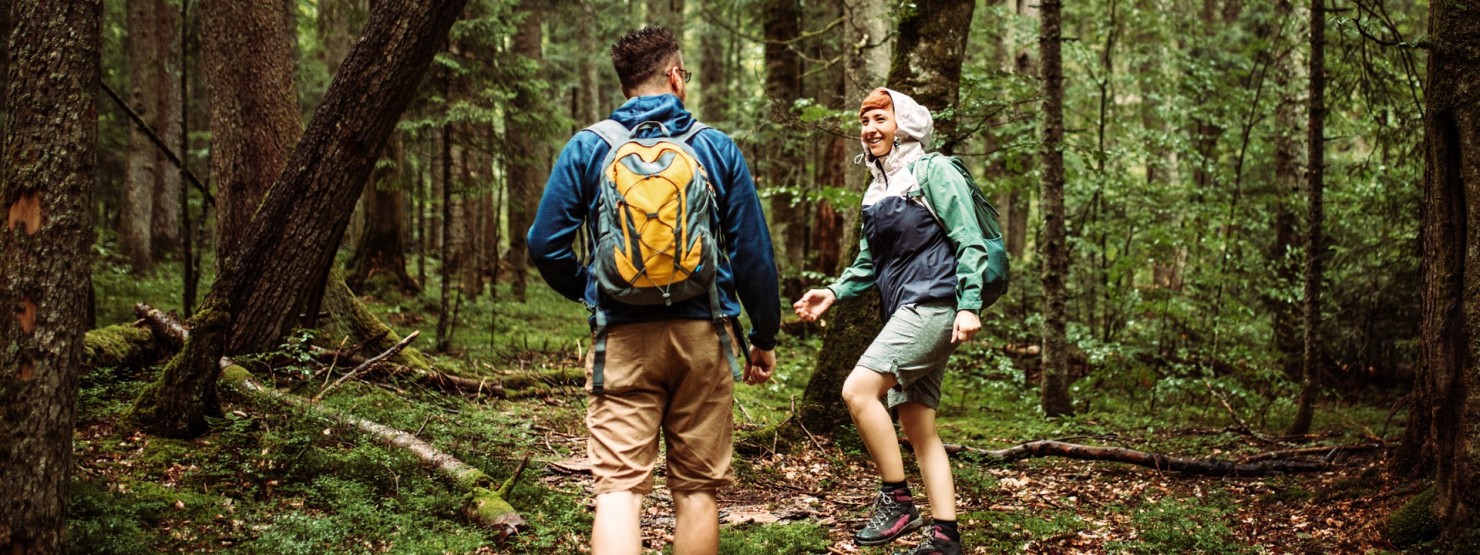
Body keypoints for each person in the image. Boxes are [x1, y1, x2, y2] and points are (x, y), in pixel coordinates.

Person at [527, 26, 781, 555]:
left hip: (621, 337)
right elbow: (754, 254)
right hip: (703, 335)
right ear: (674, 77)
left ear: (626, 86)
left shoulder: (588, 148)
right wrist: (765, 335)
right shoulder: (715, 148)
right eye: (683, 73)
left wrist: (593, 290)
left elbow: (545, 245)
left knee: (619, 489)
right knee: (696, 490)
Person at [793, 88, 991, 555]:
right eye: (864, 121)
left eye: (879, 118)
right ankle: (946, 538)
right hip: (906, 307)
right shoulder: (878, 188)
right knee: (920, 427)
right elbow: (868, 264)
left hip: (935, 304)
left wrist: (970, 304)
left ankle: (897, 499)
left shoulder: (933, 170)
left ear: (904, 122)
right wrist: (833, 292)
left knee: (857, 390)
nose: (869, 129)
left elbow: (969, 240)